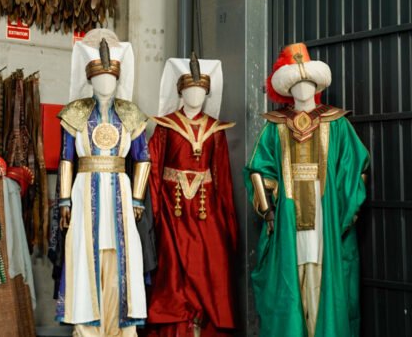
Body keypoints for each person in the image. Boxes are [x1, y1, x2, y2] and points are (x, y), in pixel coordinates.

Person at [244, 43, 368, 337]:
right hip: (288, 215)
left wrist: (346, 211)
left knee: (323, 274)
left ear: (316, 86)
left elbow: (355, 169)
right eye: (297, 84)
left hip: (327, 214)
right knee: (292, 275)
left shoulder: (337, 124)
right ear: (288, 89)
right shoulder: (275, 127)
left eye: (307, 83)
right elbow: (259, 171)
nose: (302, 89)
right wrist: (269, 210)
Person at [55, 29, 149, 337]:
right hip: (84, 192)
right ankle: (87, 328)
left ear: (118, 79)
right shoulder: (76, 113)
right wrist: (65, 201)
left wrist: (137, 198)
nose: (105, 82)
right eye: (99, 77)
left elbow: (143, 158)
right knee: (85, 256)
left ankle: (121, 329)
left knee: (121, 256)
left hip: (120, 193)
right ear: (90, 79)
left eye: (111, 77)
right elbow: (66, 158)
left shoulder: (130, 114)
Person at [146, 54, 238, 336]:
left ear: (207, 93)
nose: (195, 95)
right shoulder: (165, 127)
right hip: (173, 211)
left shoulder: (216, 130)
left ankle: (202, 323)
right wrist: (155, 214)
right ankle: (176, 326)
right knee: (174, 268)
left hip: (205, 211)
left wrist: (226, 220)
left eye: (200, 91)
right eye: (190, 90)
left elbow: (221, 176)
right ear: (181, 92)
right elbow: (153, 170)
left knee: (207, 265)